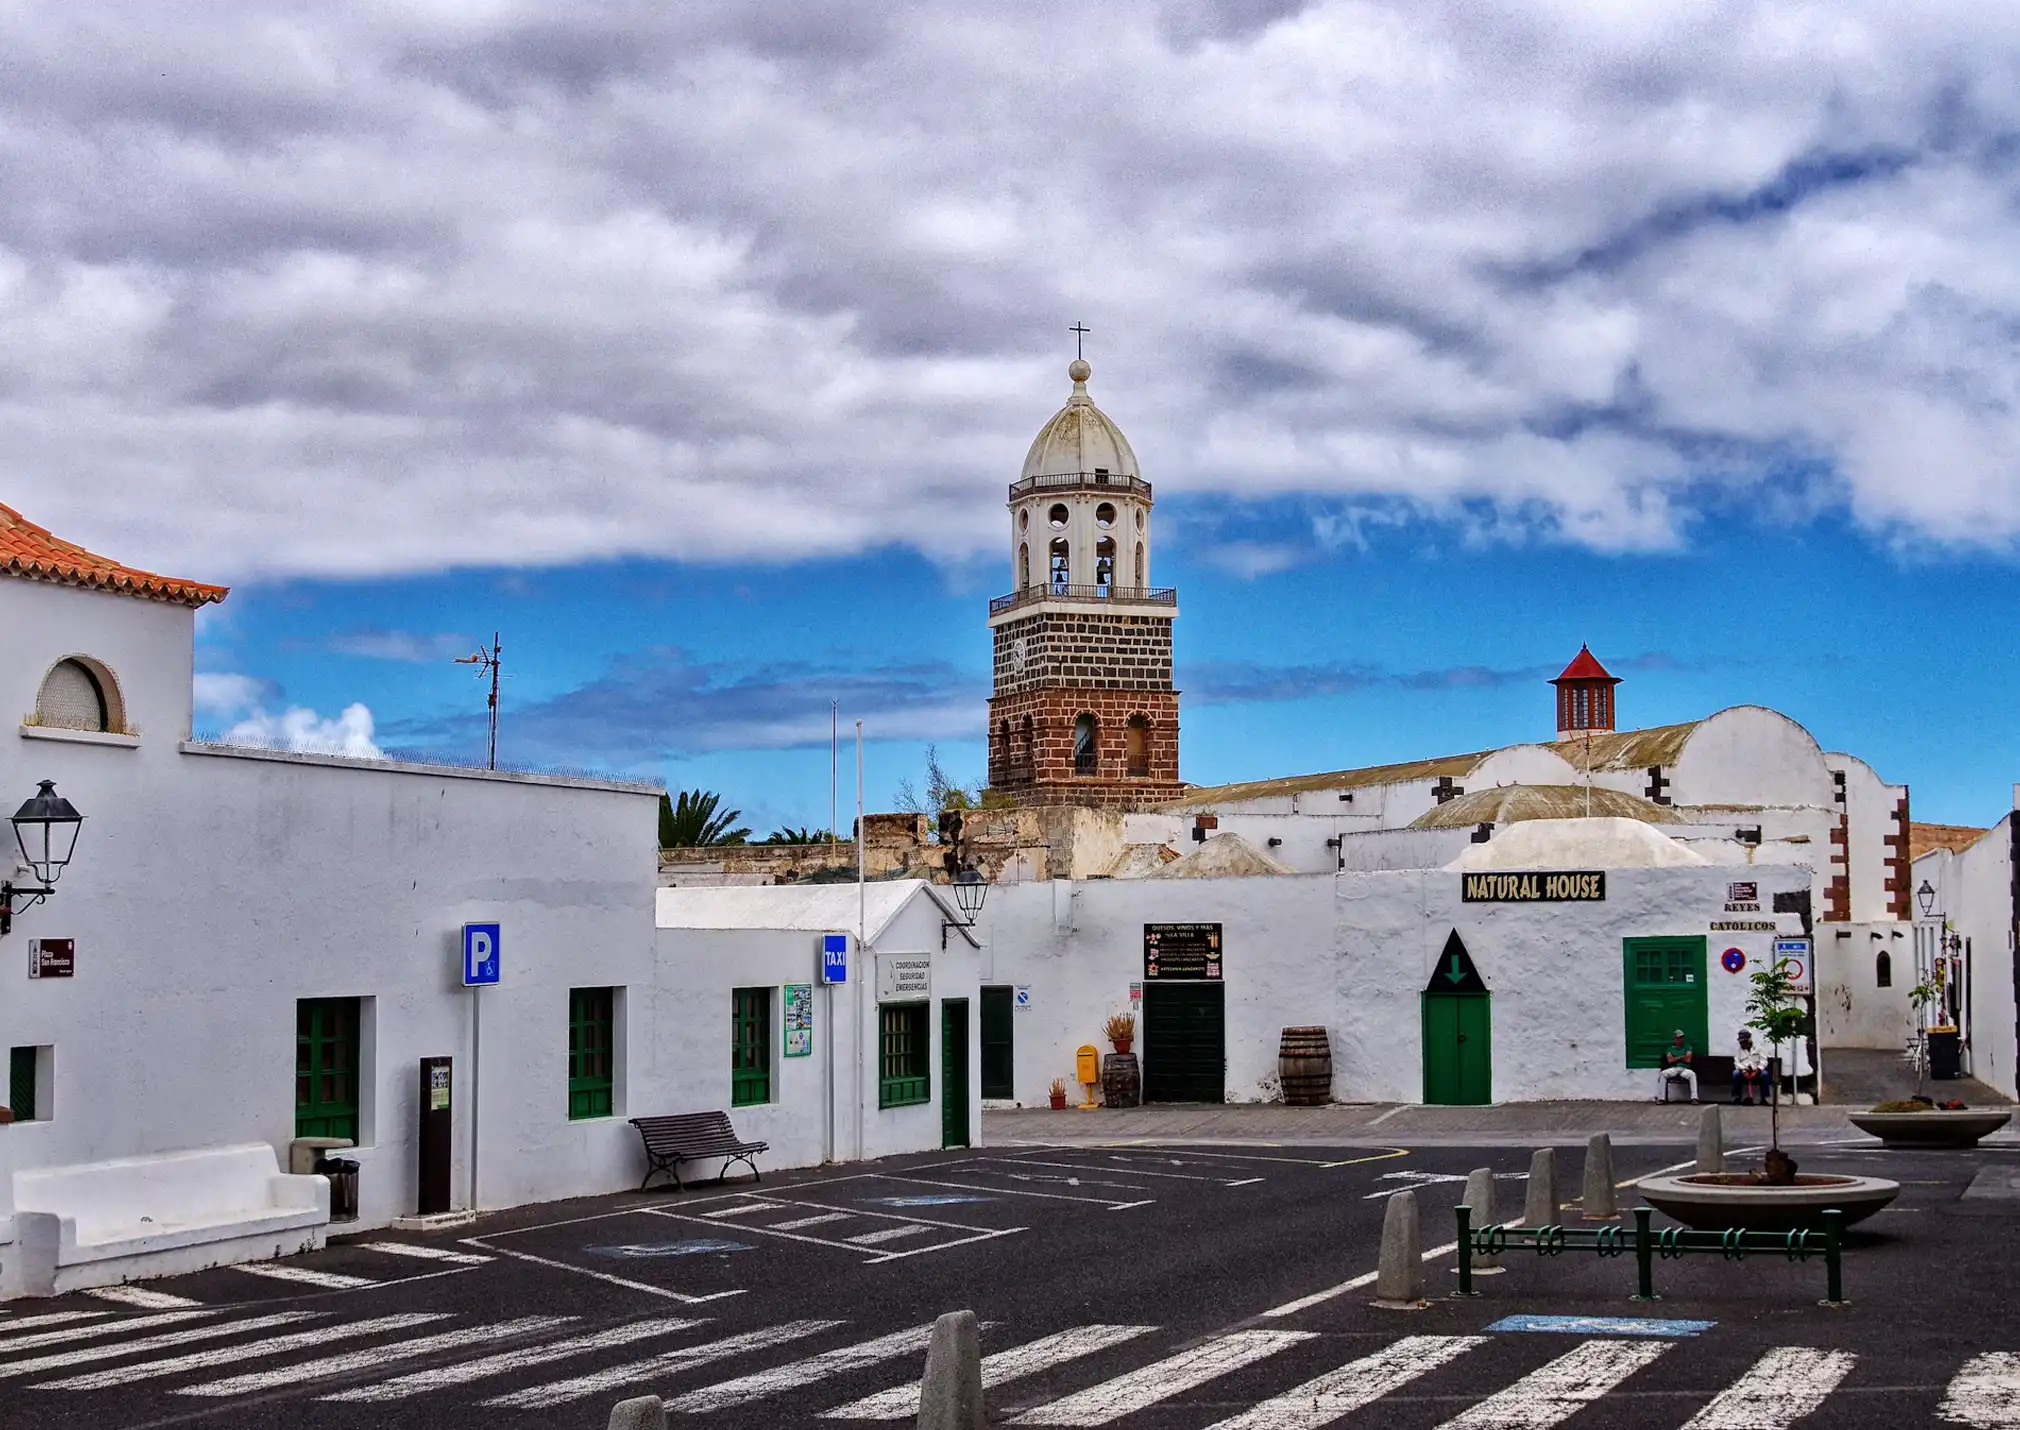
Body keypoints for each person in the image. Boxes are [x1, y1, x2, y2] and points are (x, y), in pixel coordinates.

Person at [1656, 1029, 1699, 1103]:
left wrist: (1675, 1057)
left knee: (1692, 1075)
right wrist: (1682, 1056)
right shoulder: (1670, 1049)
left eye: (1681, 1037)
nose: (1680, 1040)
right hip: (1674, 1068)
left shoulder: (1688, 1047)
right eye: (1678, 1038)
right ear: (1675, 1039)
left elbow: (1688, 1059)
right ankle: (1661, 1098)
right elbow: (1670, 1060)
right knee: (1663, 1074)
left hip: (1684, 1068)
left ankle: (1694, 1098)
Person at [1732, 1029, 1770, 1106]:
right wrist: (1744, 1071)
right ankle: (1737, 1098)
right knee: (1735, 1074)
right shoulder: (1739, 1051)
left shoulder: (1758, 1048)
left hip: (1756, 1072)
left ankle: (1764, 1098)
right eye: (1740, 1042)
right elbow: (1736, 1062)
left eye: (1742, 1042)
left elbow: (1764, 1061)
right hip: (1744, 1073)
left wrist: (1756, 1072)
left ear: (1748, 1041)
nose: (1740, 1044)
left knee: (1765, 1074)